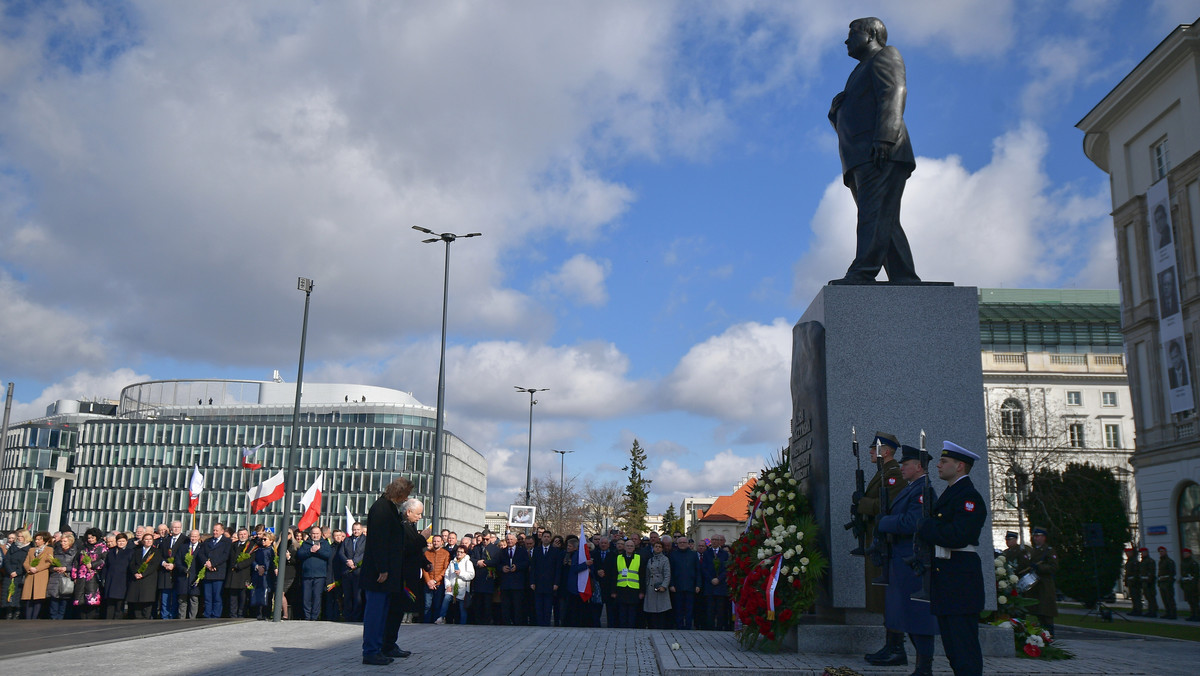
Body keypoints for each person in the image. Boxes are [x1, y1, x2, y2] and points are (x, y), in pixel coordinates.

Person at [827, 17, 919, 285]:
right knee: (884, 219)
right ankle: (904, 276)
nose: (847, 40)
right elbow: (855, 118)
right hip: (861, 156)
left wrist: (886, 138)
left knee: (872, 214)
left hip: (880, 152)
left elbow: (894, 92)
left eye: (852, 33)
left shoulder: (886, 56)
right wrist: (836, 113)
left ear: (870, 35)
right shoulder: (859, 71)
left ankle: (863, 272)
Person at [916, 441, 987, 676]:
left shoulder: (968, 497)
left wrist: (927, 528)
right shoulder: (953, 493)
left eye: (944, 461)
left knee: (963, 648)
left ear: (959, 466)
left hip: (960, 579)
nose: (938, 465)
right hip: (948, 578)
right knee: (953, 650)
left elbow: (958, 535)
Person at [872, 444, 939, 674]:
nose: (901, 468)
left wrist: (883, 522)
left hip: (912, 561)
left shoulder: (923, 491)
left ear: (919, 467)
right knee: (906, 615)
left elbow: (912, 523)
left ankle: (924, 667)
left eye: (906, 464)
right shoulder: (911, 488)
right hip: (901, 559)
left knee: (918, 617)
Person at [360, 476, 425, 665]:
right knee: (375, 613)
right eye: (405, 495)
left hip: (386, 573)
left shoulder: (388, 508)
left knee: (382, 613)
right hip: (379, 574)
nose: (406, 499)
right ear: (397, 493)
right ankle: (371, 651)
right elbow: (379, 541)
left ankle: (378, 648)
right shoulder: (381, 509)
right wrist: (383, 568)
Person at [857, 432, 907, 661]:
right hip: (877, 542)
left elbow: (888, 505)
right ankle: (892, 645)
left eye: (873, 448)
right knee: (883, 597)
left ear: (885, 451)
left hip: (885, 544)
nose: (869, 451)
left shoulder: (894, 474)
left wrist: (862, 503)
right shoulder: (883, 473)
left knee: (889, 596)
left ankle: (897, 648)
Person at [1020, 527, 1059, 635]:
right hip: (1034, 586)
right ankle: (1042, 635)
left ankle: (1049, 636)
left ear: (1044, 537)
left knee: (1046, 613)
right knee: (1037, 612)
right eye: (1035, 536)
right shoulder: (1033, 551)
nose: (1036, 538)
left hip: (1044, 585)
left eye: (1038, 536)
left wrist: (1040, 568)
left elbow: (1054, 567)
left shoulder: (1049, 550)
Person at [297, 525, 333, 620]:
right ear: (310, 534)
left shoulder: (324, 543)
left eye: (317, 533)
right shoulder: (305, 544)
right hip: (307, 575)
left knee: (317, 597)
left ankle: (314, 617)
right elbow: (300, 555)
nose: (315, 535)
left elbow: (328, 555)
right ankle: (307, 617)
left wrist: (319, 550)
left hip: (320, 575)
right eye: (313, 533)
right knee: (306, 597)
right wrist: (310, 551)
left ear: (321, 534)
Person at [72, 528, 107, 619]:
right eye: (89, 538)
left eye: (92, 538)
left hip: (93, 575)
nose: (90, 540)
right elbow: (76, 562)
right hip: (81, 576)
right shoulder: (83, 547)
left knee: (92, 597)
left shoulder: (102, 547)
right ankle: (82, 617)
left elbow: (104, 560)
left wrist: (93, 565)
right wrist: (74, 576)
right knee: (81, 598)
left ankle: (91, 617)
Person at [199, 523, 232, 618]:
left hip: (218, 572)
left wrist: (213, 563)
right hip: (208, 572)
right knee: (207, 596)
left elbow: (225, 555)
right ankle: (207, 614)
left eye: (217, 530)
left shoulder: (227, 542)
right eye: (214, 530)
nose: (215, 532)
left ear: (222, 531)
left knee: (217, 596)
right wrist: (207, 563)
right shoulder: (208, 541)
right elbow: (201, 554)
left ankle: (216, 615)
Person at [497, 532, 529, 626]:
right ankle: (506, 623)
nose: (509, 541)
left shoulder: (522, 551)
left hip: (517, 583)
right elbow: (497, 564)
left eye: (511, 539)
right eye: (508, 539)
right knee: (506, 605)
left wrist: (517, 567)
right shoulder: (502, 551)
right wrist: (502, 568)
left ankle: (517, 623)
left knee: (517, 605)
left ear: (515, 540)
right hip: (505, 583)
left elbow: (526, 563)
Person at [668, 535, 700, 630]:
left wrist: (698, 584)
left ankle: (689, 626)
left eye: (684, 542)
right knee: (678, 609)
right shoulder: (673, 555)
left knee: (689, 609)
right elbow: (670, 571)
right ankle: (679, 626)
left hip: (691, 586)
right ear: (677, 544)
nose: (682, 544)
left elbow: (698, 570)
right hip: (677, 587)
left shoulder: (693, 554)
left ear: (688, 544)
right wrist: (671, 584)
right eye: (680, 543)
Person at [530, 530, 561, 626]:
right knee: (539, 606)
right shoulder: (536, 550)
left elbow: (557, 568)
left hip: (550, 583)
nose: (546, 538)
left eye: (548, 537)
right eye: (545, 536)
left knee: (548, 606)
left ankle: (546, 624)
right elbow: (533, 568)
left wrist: (556, 583)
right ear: (542, 538)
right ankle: (540, 624)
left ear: (550, 539)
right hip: (538, 583)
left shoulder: (555, 551)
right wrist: (532, 582)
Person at [21, 531, 54, 619]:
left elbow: (48, 563)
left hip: (41, 575)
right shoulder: (31, 550)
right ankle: (28, 618)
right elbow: (26, 562)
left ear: (44, 541)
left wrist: (37, 568)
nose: (37, 541)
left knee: (38, 597)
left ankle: (34, 617)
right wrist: (29, 568)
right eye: (36, 539)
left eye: (39, 539)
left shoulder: (49, 549)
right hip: (30, 575)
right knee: (29, 597)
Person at [126, 532, 160, 619]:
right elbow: (132, 564)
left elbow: (154, 565)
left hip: (148, 579)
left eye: (150, 540)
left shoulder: (156, 551)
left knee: (147, 602)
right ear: (143, 541)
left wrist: (143, 574)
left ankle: (146, 618)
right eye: (146, 539)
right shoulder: (137, 551)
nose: (148, 541)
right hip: (136, 579)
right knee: (136, 601)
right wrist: (135, 573)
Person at [438, 545, 474, 624]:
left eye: (461, 552)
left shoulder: (468, 562)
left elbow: (471, 575)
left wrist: (461, 573)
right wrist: (448, 585)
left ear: (465, 553)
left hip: (462, 588)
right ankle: (441, 617)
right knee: (446, 599)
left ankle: (463, 623)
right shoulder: (452, 562)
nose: (459, 554)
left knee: (462, 608)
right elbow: (447, 574)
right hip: (452, 587)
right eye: (458, 552)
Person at [701, 533, 730, 630]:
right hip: (709, 585)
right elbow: (704, 568)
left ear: (719, 541)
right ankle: (710, 627)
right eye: (712, 540)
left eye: (716, 540)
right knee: (710, 609)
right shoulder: (706, 553)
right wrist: (711, 579)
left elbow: (727, 568)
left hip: (721, 585)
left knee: (720, 609)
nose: (714, 541)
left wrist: (719, 579)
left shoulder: (725, 554)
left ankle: (720, 627)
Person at [101, 532, 134, 619]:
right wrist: (103, 578)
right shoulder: (111, 552)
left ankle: (117, 621)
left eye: (123, 541)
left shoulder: (130, 552)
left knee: (119, 605)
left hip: (122, 581)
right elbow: (106, 566)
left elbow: (131, 567)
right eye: (119, 541)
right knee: (110, 604)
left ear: (126, 542)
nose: (121, 543)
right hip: (111, 580)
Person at [470, 532, 500, 624]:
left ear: (490, 538)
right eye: (483, 539)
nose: (485, 541)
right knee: (478, 603)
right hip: (478, 578)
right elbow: (471, 559)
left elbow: (496, 561)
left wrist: (484, 563)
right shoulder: (476, 548)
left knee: (487, 603)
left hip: (489, 579)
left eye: (487, 539)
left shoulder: (495, 549)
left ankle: (487, 621)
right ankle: (478, 621)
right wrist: (477, 562)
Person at [615, 537, 645, 628]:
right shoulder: (618, 558)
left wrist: (642, 591)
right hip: (621, 589)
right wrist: (613, 591)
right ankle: (623, 629)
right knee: (622, 612)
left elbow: (643, 576)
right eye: (627, 546)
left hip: (634, 589)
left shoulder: (639, 558)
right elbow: (614, 574)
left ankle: (631, 629)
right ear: (624, 547)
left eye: (631, 546)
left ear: (634, 547)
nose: (629, 547)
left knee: (632, 612)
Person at [339, 522, 366, 622]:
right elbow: (341, 553)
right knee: (347, 596)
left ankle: (357, 617)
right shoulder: (347, 540)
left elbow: (364, 553)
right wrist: (348, 561)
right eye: (354, 529)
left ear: (361, 530)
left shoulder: (366, 540)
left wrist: (355, 562)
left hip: (358, 572)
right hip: (347, 572)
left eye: (358, 529)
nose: (356, 531)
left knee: (357, 597)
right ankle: (347, 616)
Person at [47, 531, 77, 620]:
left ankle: (61, 618)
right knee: (54, 599)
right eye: (62, 541)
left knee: (64, 599)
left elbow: (76, 566)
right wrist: (55, 568)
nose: (62, 543)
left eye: (65, 541)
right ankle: (53, 618)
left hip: (66, 577)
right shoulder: (56, 551)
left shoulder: (74, 552)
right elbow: (50, 566)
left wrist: (66, 568)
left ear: (70, 542)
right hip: (55, 578)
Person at [227, 528, 257, 619]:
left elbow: (251, 559)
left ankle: (241, 615)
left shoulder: (252, 545)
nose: (242, 536)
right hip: (233, 575)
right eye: (240, 534)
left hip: (244, 574)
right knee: (233, 597)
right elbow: (229, 557)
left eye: (244, 534)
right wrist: (233, 565)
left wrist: (239, 565)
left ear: (247, 535)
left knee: (243, 597)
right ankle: (233, 615)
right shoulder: (233, 545)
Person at [158, 521, 185, 619]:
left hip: (177, 572)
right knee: (165, 597)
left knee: (175, 597)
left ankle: (173, 615)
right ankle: (164, 616)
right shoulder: (165, 541)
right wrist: (164, 563)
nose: (176, 529)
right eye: (174, 527)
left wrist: (174, 565)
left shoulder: (185, 540)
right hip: (165, 572)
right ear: (171, 529)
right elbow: (159, 555)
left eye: (178, 527)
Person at [643, 540, 672, 629]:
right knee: (651, 609)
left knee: (661, 608)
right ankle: (652, 626)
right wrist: (647, 585)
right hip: (651, 587)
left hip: (661, 586)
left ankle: (661, 627)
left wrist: (664, 586)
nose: (657, 548)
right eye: (656, 546)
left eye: (659, 547)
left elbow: (667, 574)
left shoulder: (665, 559)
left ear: (662, 549)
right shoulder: (650, 560)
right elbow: (647, 574)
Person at [421, 534, 450, 623]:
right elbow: (424, 568)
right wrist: (429, 581)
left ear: (442, 542)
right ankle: (426, 623)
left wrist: (435, 580)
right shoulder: (427, 553)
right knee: (427, 605)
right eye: (434, 541)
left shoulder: (446, 553)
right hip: (428, 583)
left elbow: (445, 569)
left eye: (438, 541)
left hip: (439, 583)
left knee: (437, 605)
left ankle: (435, 623)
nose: (436, 543)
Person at [176, 529, 204, 619]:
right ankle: (181, 618)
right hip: (183, 577)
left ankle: (192, 619)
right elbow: (178, 560)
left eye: (195, 536)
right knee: (182, 600)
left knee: (194, 599)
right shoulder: (183, 547)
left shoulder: (202, 547)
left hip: (195, 577)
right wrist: (183, 569)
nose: (193, 538)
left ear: (199, 537)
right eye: (192, 536)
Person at [592, 536, 619, 627]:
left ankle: (611, 627)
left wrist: (614, 590)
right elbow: (592, 568)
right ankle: (596, 627)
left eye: (605, 543)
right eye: (602, 543)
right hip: (598, 587)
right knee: (596, 611)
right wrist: (597, 572)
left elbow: (615, 572)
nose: (603, 545)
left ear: (608, 544)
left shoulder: (614, 555)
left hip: (609, 586)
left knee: (610, 611)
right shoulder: (594, 554)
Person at [249, 532, 276, 620]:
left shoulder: (271, 550)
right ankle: (258, 613)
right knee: (258, 593)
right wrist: (257, 566)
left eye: (265, 539)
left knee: (267, 594)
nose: (263, 541)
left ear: (271, 541)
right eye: (262, 539)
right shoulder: (258, 549)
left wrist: (264, 569)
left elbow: (272, 562)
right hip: (258, 574)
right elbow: (252, 559)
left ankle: (266, 613)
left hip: (267, 575)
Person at [1157, 546, 1178, 620]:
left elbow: (1172, 573)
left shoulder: (1169, 561)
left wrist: (1169, 582)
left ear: (1165, 552)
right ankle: (1168, 612)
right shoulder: (1161, 562)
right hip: (1162, 582)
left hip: (1167, 582)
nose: (1161, 553)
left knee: (1170, 599)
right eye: (1160, 552)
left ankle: (1173, 614)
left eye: (1162, 551)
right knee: (1165, 599)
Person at [1180, 548, 1199, 621]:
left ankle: (1197, 615)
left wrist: (1194, 584)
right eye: (1184, 553)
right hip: (1186, 584)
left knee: (1194, 601)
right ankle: (1192, 614)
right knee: (1190, 601)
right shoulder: (1183, 562)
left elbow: (1196, 575)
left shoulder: (1193, 563)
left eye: (1186, 553)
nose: (1184, 554)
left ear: (1189, 554)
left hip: (1192, 584)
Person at [1124, 548, 1144, 616]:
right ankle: (1135, 609)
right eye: (1126, 553)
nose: (1127, 554)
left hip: (1134, 582)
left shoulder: (1134, 561)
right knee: (1133, 597)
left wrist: (1135, 580)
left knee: (1136, 597)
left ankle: (1138, 610)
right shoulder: (1129, 561)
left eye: (1128, 552)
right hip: (1130, 582)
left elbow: (1136, 572)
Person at [1140, 547, 1158, 617]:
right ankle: (1150, 611)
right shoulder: (1143, 561)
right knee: (1148, 597)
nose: (1142, 554)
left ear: (1147, 553)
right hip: (1144, 582)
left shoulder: (1150, 561)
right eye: (1141, 553)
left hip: (1149, 582)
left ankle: (1153, 611)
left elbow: (1151, 572)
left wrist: (1149, 580)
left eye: (1143, 552)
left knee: (1151, 597)